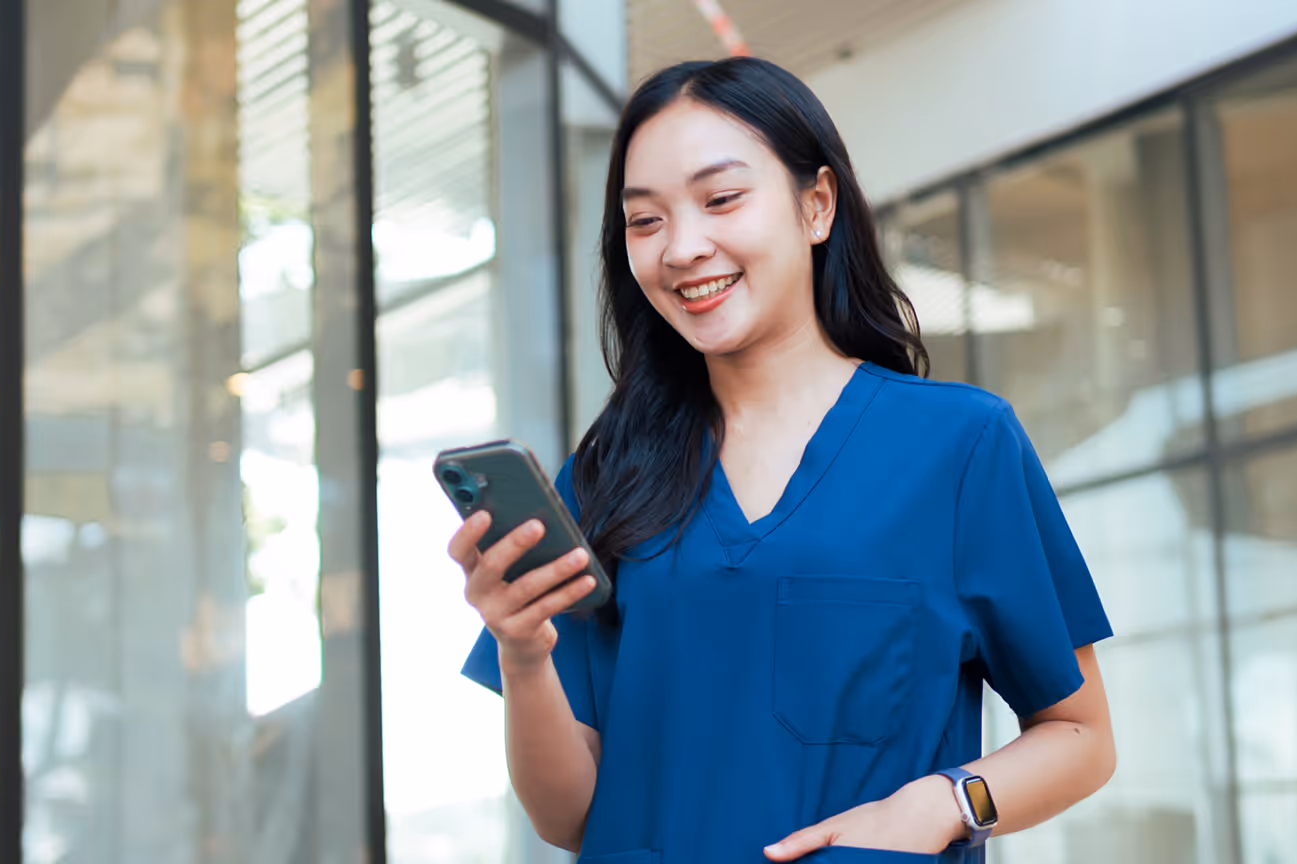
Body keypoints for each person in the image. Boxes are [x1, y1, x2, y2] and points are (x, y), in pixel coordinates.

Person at [452, 57, 1116, 863]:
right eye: (644, 220)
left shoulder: (960, 447)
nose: (682, 248)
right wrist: (523, 655)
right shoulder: (606, 476)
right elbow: (568, 818)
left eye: (721, 199)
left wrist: (945, 803)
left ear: (816, 206)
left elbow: (1080, 735)